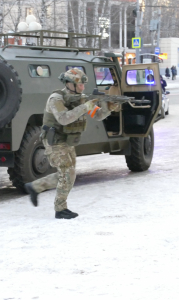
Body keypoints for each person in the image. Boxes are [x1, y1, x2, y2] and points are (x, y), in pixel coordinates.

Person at [24, 68, 120, 219]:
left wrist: (109, 108)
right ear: (70, 84)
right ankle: (60, 209)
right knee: (68, 174)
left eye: (83, 85)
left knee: (68, 174)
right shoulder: (56, 99)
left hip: (67, 140)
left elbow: (98, 115)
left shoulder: (81, 98)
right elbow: (64, 119)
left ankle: (35, 187)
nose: (83, 87)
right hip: (54, 141)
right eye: (80, 84)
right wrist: (85, 107)